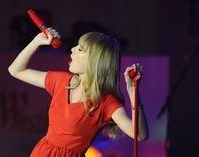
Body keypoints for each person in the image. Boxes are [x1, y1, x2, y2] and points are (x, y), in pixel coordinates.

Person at [8, 29, 149, 157]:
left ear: (94, 61)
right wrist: (37, 41)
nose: (72, 49)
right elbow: (15, 70)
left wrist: (133, 91)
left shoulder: (105, 101)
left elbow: (140, 135)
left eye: (80, 49)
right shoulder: (61, 81)